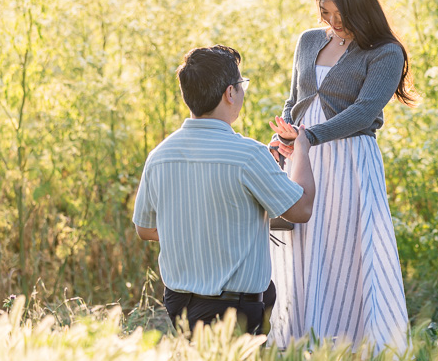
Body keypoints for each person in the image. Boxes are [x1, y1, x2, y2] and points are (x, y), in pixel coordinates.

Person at [268, 0, 415, 354]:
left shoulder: (385, 53)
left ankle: (355, 343)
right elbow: (295, 99)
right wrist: (285, 135)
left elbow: (366, 110)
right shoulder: (307, 41)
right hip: (302, 156)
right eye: (325, 13)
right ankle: (300, 339)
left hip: (349, 159)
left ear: (360, 7)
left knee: (347, 245)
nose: (332, 22)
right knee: (303, 240)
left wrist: (309, 137)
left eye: (340, 14)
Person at [133, 45, 315, 335]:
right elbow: (302, 208)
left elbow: (145, 229)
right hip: (236, 310)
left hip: (179, 305)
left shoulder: (160, 155)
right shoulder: (248, 155)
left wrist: (197, 231)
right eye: (242, 85)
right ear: (230, 93)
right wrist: (303, 148)